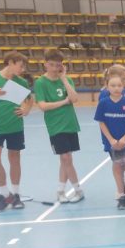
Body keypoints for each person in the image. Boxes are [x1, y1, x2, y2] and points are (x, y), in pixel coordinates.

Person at [0, 51, 33, 212]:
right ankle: (5, 194)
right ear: (10, 62)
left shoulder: (21, 82)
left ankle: (16, 194)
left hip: (15, 126)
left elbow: (29, 100)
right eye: (20, 66)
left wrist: (26, 109)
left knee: (14, 158)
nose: (23, 69)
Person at [34, 48, 84, 204]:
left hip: (70, 123)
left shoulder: (66, 79)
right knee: (66, 157)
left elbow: (74, 99)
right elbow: (42, 105)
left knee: (65, 159)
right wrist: (63, 102)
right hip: (55, 126)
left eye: (58, 65)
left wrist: (64, 79)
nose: (55, 68)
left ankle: (60, 191)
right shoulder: (41, 82)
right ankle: (78, 190)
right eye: (52, 65)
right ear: (45, 64)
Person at [94, 75, 125, 209]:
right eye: (113, 85)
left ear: (123, 86)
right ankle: (121, 195)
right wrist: (111, 139)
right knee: (117, 165)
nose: (116, 88)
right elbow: (101, 122)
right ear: (107, 87)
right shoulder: (103, 103)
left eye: (119, 85)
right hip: (112, 142)